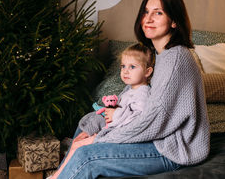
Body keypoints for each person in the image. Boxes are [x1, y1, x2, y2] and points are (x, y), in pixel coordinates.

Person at [57, 0, 210, 178]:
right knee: (88, 123)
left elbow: (154, 119)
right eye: (146, 12)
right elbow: (131, 97)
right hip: (157, 134)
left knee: (87, 156)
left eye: (158, 13)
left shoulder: (176, 58)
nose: (148, 18)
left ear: (174, 22)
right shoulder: (158, 54)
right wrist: (97, 125)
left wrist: (101, 139)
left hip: (172, 148)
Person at [51, 43, 155, 179]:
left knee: (79, 146)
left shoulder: (143, 93)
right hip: (112, 131)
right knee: (77, 141)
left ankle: (57, 176)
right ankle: (58, 175)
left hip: (121, 137)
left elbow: (137, 120)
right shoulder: (130, 89)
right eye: (123, 66)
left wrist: (115, 114)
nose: (125, 71)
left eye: (132, 67)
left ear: (147, 72)